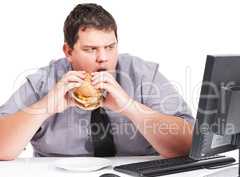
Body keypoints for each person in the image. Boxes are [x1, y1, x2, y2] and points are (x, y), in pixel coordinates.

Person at [0, 3, 194, 160]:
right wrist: (45, 107)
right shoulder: (44, 82)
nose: (103, 58)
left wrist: (129, 107)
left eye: (110, 47)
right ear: (68, 51)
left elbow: (189, 144)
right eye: (91, 49)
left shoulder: (143, 74)